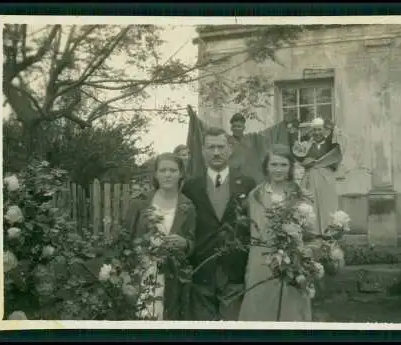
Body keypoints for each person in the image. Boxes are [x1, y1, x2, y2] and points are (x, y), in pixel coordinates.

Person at [182, 127, 257, 320]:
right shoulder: (190, 187)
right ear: (203, 151)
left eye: (221, 147)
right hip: (202, 268)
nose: (216, 152)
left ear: (230, 149)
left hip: (235, 268)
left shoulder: (247, 184)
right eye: (211, 147)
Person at [238, 144, 315, 321]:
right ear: (266, 166)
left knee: (291, 305)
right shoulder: (256, 195)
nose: (278, 170)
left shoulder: (299, 194)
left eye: (283, 165)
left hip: (292, 258)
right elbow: (254, 229)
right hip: (261, 257)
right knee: (260, 304)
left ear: (290, 167)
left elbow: (309, 229)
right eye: (274, 165)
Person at [124, 153, 196, 320]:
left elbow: (192, 243)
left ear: (181, 174)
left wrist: (184, 243)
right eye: (163, 170)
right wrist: (127, 273)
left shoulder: (188, 206)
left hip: (171, 276)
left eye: (173, 170)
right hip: (141, 272)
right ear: (156, 174)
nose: (168, 174)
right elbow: (125, 239)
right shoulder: (140, 203)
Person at [186, 106, 290, 184]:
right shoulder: (225, 140)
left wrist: (285, 123)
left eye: (239, 126)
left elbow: (270, 133)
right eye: (234, 126)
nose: (237, 129)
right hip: (230, 180)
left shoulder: (254, 138)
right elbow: (206, 129)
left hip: (251, 180)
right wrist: (194, 119)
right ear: (231, 128)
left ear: (244, 127)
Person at [291, 117, 343, 235]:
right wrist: (305, 161)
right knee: (310, 204)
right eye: (314, 130)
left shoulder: (331, 145)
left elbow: (338, 155)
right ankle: (312, 233)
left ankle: (328, 232)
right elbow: (299, 157)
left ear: (324, 130)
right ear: (311, 131)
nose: (317, 133)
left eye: (319, 130)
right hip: (310, 178)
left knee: (327, 204)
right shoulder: (306, 145)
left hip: (326, 178)